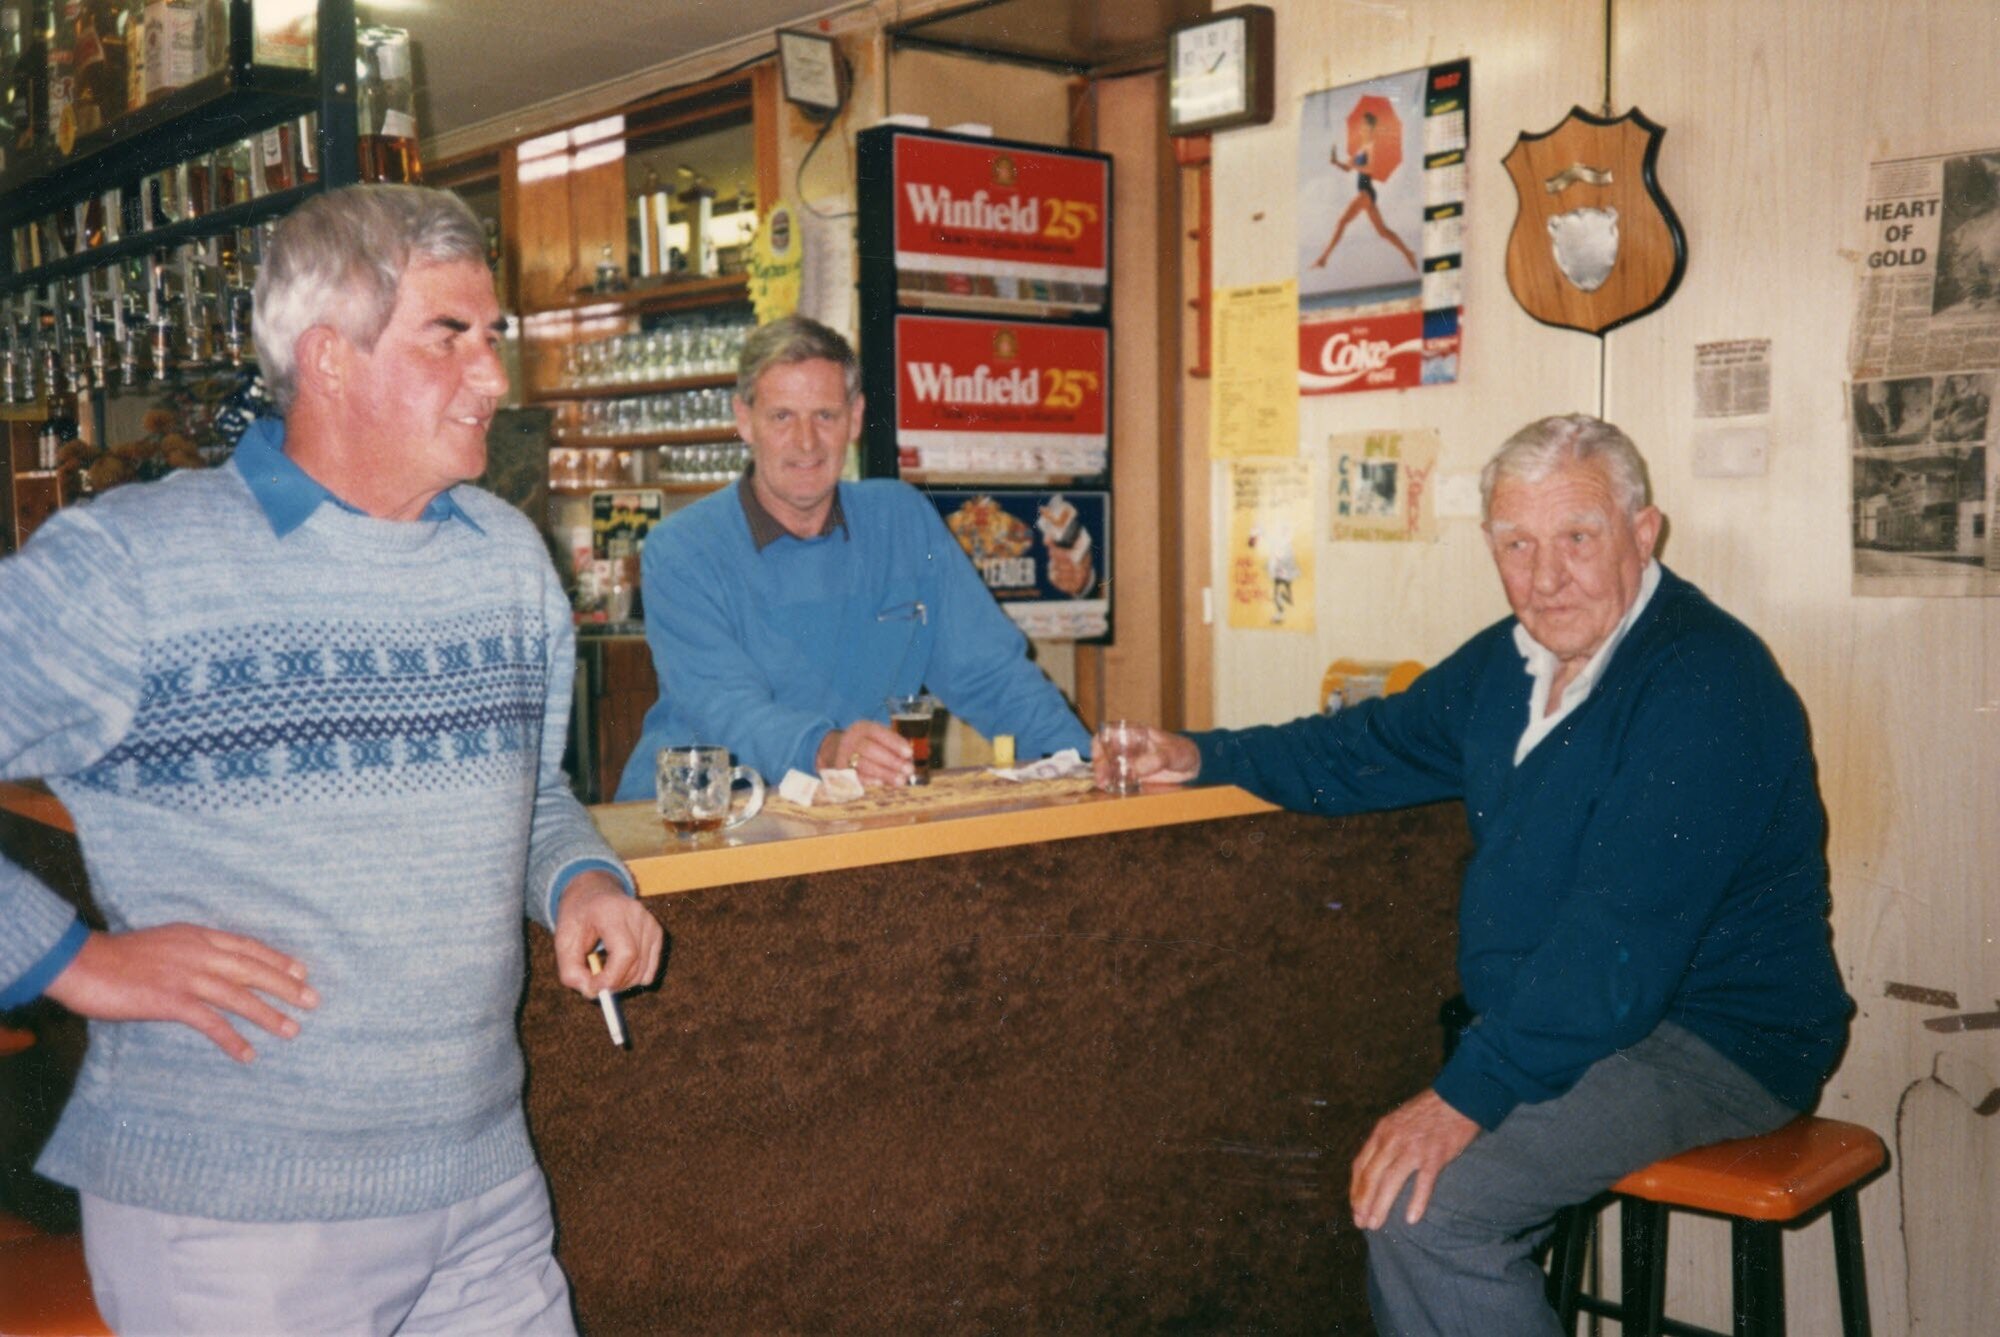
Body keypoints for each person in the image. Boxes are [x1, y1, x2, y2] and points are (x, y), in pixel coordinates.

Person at [0, 184, 662, 1334]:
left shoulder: (508, 559)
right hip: (233, 1217)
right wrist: (74, 961)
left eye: (493, 337)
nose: (495, 379)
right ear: (330, 359)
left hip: (483, 1186)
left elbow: (532, 793)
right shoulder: (134, 566)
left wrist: (581, 878)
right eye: (448, 337)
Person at [1094, 415, 1852, 1335]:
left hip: (1717, 1039)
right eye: (1516, 545)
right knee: (1404, 1187)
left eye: (1578, 537)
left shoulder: (1704, 683)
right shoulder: (1513, 658)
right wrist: (1203, 753)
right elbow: (1366, 746)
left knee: (1431, 1209)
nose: (1545, 575)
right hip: (1592, 1022)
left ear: (1642, 534)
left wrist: (1465, 1095)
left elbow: (1618, 949)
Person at [613, 314, 1089, 797]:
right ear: (744, 420)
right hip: (700, 819)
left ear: (856, 418)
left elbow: (991, 675)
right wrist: (827, 750)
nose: (806, 442)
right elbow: (727, 708)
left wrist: (1084, 765)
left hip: (845, 816)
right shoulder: (683, 549)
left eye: (825, 416)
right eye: (782, 416)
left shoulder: (901, 519)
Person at [1312, 109, 1420, 273]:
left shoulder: (1371, 147)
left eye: (1363, 125)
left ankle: (1324, 258)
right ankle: (1408, 253)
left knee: (1342, 222)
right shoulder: (1361, 149)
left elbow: (1369, 168)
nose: (1361, 128)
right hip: (1366, 193)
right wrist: (1336, 162)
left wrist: (1354, 164)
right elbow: (1348, 168)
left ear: (1370, 128)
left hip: (1365, 192)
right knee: (1383, 231)